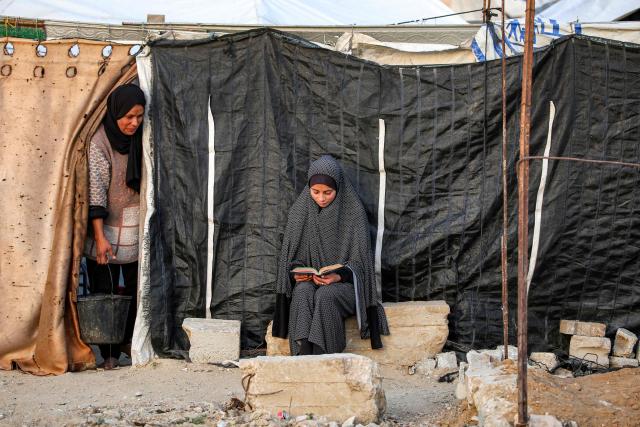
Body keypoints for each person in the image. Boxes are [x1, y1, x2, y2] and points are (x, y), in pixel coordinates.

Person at [272, 155, 389, 355]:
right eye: (315, 192)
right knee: (302, 292)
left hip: (345, 288)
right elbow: (292, 258)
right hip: (311, 282)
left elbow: (362, 265)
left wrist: (338, 275)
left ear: (339, 188)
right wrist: (298, 274)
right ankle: (302, 355)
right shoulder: (300, 212)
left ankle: (325, 357)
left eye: (328, 192)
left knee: (326, 295)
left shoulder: (354, 213)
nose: (321, 198)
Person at [83, 84, 145, 369]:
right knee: (103, 290)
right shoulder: (100, 143)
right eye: (129, 117)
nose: (134, 123)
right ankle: (107, 354)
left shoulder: (142, 139)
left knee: (133, 291)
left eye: (140, 117)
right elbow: (95, 192)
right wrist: (99, 237)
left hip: (134, 230)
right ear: (116, 113)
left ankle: (127, 345)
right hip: (104, 230)